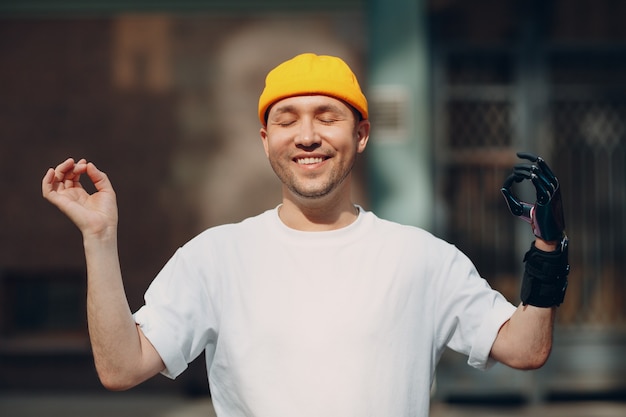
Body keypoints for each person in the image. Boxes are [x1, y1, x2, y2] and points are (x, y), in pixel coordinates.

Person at [42, 53, 569, 417]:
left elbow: (525, 349)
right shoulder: (214, 258)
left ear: (360, 135)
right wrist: (99, 237)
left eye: (327, 116)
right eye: (288, 118)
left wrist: (548, 250)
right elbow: (121, 366)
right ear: (266, 138)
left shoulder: (421, 258)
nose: (308, 135)